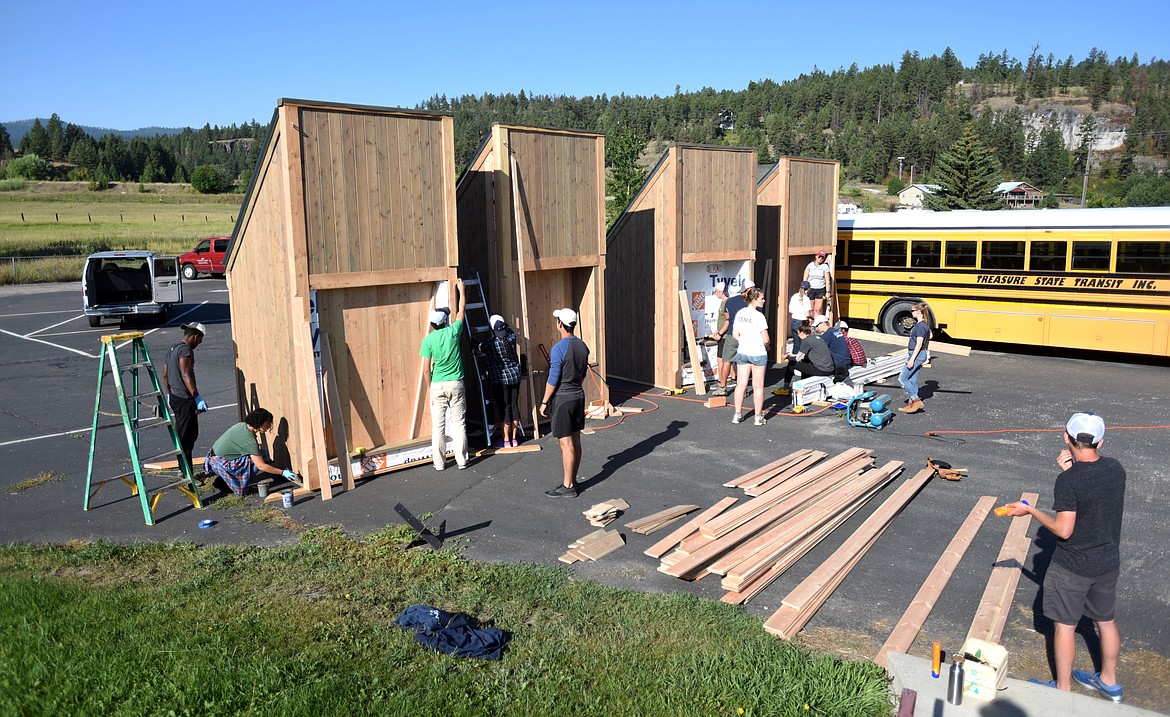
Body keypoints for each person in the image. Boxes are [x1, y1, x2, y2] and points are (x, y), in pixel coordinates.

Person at [1005, 412, 1126, 703]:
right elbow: (1093, 491)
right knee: (1105, 621)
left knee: (1065, 626)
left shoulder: (1069, 481)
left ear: (1065, 437)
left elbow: (1063, 529)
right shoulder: (1116, 469)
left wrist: (1030, 510)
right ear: (1100, 441)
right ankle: (1110, 682)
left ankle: (1062, 690)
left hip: (1073, 566)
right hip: (1107, 561)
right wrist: (1068, 472)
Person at [540, 308, 590, 498]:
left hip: (564, 398)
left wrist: (544, 402)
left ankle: (568, 486)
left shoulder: (559, 348)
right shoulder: (583, 346)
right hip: (578, 395)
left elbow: (553, 378)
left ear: (560, 324)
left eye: (557, 321)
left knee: (566, 443)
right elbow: (583, 372)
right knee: (575, 440)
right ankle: (572, 479)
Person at [420, 279, 469, 470]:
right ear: (444, 322)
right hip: (456, 382)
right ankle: (462, 460)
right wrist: (461, 291)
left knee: (438, 427)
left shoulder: (428, 340)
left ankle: (439, 463)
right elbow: (461, 310)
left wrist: (430, 386)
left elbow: (426, 368)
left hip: (438, 385)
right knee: (459, 424)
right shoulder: (453, 332)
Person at [205, 408, 297, 495]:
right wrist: (283, 472)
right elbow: (261, 466)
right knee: (260, 459)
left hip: (213, 459)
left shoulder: (241, 426)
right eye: (267, 423)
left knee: (260, 455)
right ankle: (229, 485)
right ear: (260, 422)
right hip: (220, 464)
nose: (269, 427)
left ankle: (225, 480)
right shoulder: (249, 440)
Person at [163, 322, 207, 472]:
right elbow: (186, 374)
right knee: (187, 437)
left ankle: (185, 469)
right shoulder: (185, 350)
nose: (200, 343)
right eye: (200, 340)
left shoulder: (172, 348)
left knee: (186, 434)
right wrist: (197, 397)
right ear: (195, 336)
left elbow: (165, 374)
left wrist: (168, 394)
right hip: (184, 400)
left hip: (175, 397)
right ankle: (186, 473)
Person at [479, 314, 521, 448]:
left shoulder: (491, 344)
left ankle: (506, 441)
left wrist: (473, 336)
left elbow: (478, 346)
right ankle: (514, 439)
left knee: (505, 409)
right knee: (514, 406)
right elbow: (508, 331)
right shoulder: (512, 337)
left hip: (501, 379)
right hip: (515, 376)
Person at [731, 287, 770, 425]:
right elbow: (766, 339)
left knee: (741, 384)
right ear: (754, 300)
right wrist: (767, 345)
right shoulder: (759, 316)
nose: (764, 301)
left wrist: (744, 342)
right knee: (758, 386)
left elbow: (735, 334)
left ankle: (737, 414)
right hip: (758, 352)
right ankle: (758, 417)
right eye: (761, 299)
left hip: (743, 351)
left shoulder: (740, 313)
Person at [713, 279, 755, 396]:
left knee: (727, 361)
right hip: (746, 336)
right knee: (744, 363)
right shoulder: (752, 302)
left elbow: (728, 318)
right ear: (748, 290)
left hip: (732, 335)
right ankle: (743, 388)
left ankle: (722, 387)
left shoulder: (730, 302)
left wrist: (721, 332)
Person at [778, 320, 834, 393]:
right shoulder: (816, 337)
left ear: (803, 333)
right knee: (805, 362)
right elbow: (804, 356)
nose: (798, 335)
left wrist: (787, 357)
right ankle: (803, 385)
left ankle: (785, 388)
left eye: (798, 333)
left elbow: (798, 358)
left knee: (791, 364)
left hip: (822, 369)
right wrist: (793, 355)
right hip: (829, 368)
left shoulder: (806, 341)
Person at [897, 302, 932, 413]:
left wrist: (911, 360)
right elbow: (930, 335)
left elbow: (919, 344)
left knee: (902, 378)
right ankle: (911, 405)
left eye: (912, 310)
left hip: (916, 355)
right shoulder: (923, 324)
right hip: (917, 354)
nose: (911, 312)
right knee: (913, 380)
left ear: (919, 311)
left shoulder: (921, 326)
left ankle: (916, 401)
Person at [815, 315, 851, 383]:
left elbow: (820, 349)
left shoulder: (827, 335)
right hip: (846, 360)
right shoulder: (836, 331)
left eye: (817, 326)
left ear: (823, 324)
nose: (816, 328)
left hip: (839, 364)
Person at [803, 251, 833, 317]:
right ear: (816, 256)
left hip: (820, 289)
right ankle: (810, 324)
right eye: (819, 257)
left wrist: (828, 292)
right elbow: (805, 279)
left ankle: (816, 325)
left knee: (818, 309)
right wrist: (804, 290)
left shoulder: (825, 267)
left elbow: (827, 280)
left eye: (822, 258)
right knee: (810, 309)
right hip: (811, 289)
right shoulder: (810, 266)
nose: (820, 259)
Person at [788, 281, 812, 357]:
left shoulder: (794, 296)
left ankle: (794, 362)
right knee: (804, 344)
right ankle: (802, 361)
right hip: (803, 322)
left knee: (796, 343)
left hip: (794, 321)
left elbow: (790, 310)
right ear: (808, 289)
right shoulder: (806, 299)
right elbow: (807, 313)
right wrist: (811, 320)